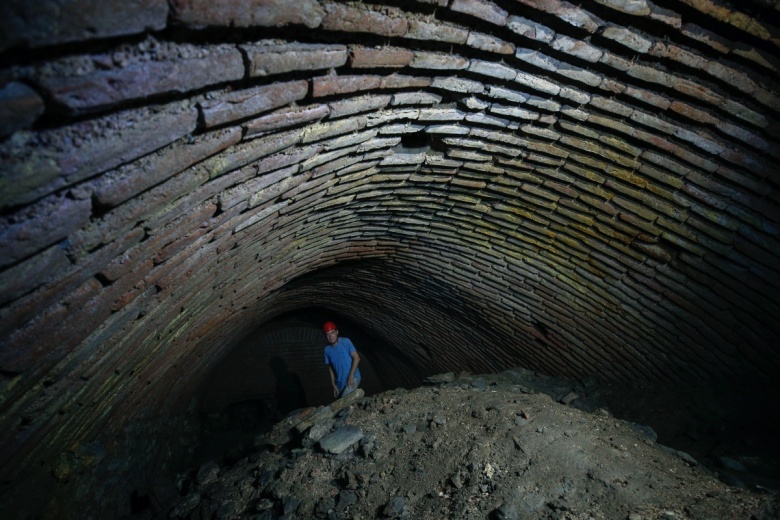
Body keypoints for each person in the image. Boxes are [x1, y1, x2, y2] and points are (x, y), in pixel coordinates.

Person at [322, 321, 361, 399]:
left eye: (332, 332)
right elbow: (330, 368)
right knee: (338, 403)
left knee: (343, 401)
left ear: (337, 332)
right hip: (340, 383)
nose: (330, 336)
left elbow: (357, 358)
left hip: (353, 377)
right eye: (327, 334)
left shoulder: (346, 341)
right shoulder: (327, 350)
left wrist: (351, 376)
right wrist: (333, 384)